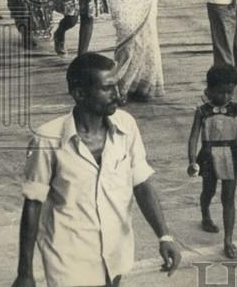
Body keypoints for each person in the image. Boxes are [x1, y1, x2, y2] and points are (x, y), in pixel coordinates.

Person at [12, 53, 180, 287]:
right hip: (69, 258)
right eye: (108, 88)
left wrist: (164, 235)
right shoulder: (48, 140)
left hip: (115, 252)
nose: (118, 94)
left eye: (117, 86)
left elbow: (141, 184)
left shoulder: (126, 126)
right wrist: (25, 273)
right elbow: (33, 204)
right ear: (80, 94)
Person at [186, 64, 237, 259]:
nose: (226, 96)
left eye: (230, 92)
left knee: (228, 198)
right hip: (209, 156)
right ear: (209, 90)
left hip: (231, 154)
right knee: (209, 191)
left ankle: (228, 240)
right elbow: (193, 138)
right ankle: (205, 215)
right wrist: (192, 160)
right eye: (221, 92)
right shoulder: (202, 111)